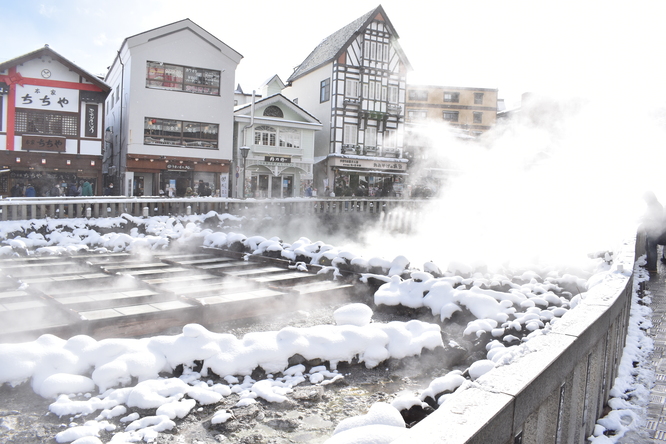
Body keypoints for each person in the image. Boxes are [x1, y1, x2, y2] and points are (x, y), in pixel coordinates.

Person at [641, 191, 666, 272]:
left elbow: (657, 219)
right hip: (656, 231)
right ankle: (650, 265)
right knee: (648, 246)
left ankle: (652, 268)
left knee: (651, 247)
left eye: (646, 199)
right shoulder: (652, 205)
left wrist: (645, 219)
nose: (645, 201)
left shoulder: (655, 206)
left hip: (658, 233)